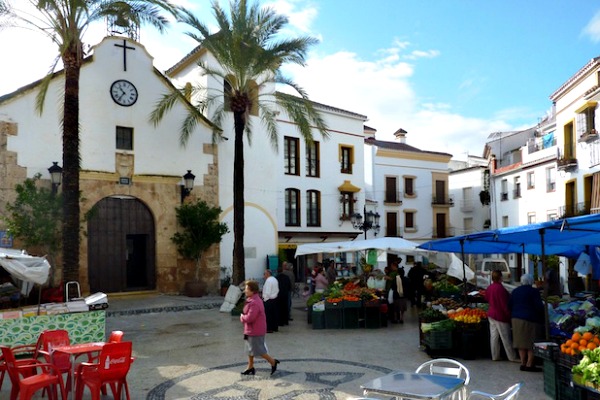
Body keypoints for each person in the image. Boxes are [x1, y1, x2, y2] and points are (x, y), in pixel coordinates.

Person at [239, 280, 280, 376]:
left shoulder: (255, 302)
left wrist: (242, 318)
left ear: (252, 291)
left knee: (259, 350)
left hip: (255, 330)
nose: (245, 291)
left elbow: (250, 318)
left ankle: (273, 362)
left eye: (246, 289)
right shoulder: (252, 300)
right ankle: (250, 367)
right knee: (250, 349)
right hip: (250, 330)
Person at [509, 274, 544, 372]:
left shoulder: (515, 291)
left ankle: (522, 363)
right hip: (530, 319)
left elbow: (509, 305)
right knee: (531, 343)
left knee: (521, 342)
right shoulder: (534, 291)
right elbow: (539, 306)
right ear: (531, 281)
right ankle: (529, 364)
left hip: (516, 319)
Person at [485, 270, 519, 362]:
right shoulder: (501, 289)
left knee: (494, 337)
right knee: (506, 337)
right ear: (500, 277)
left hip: (491, 314)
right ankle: (512, 356)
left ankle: (495, 355)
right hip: (500, 316)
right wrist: (509, 315)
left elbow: (487, 298)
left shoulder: (489, 288)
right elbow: (505, 305)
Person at [262, 269, 279, 333]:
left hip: (269, 299)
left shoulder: (268, 281)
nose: (263, 275)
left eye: (264, 274)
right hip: (274, 298)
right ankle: (275, 327)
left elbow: (267, 292)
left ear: (268, 274)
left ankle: (269, 328)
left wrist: (264, 298)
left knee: (268, 315)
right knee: (274, 314)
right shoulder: (275, 279)